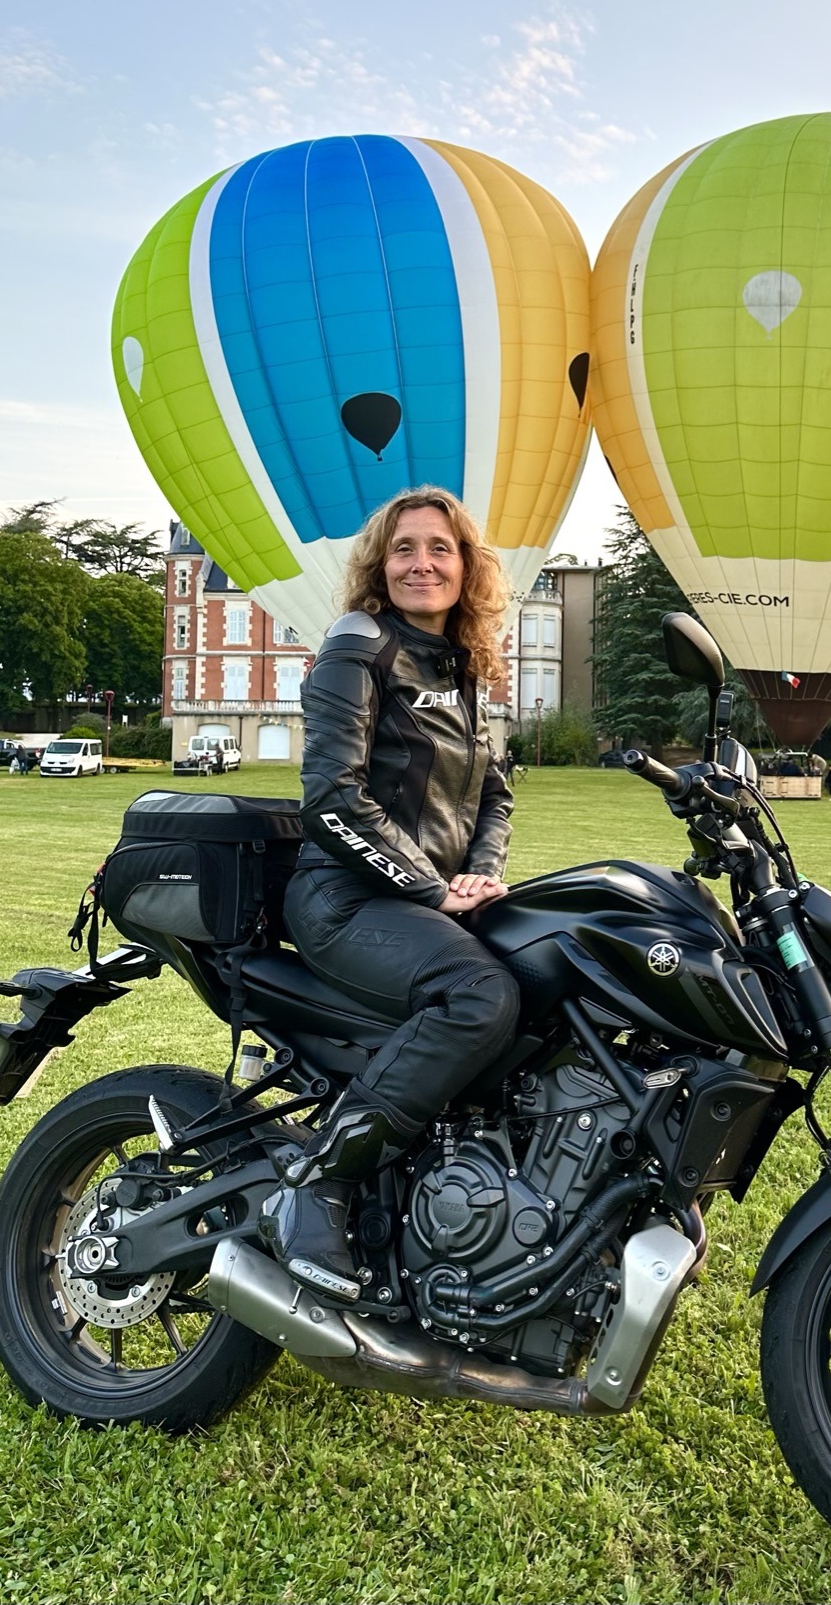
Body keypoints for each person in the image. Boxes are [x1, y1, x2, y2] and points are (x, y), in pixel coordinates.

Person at [261, 486, 517, 1301]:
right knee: (479, 995)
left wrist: (480, 872)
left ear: (467, 566)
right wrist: (430, 886)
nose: (422, 564)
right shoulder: (360, 644)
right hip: (346, 898)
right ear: (380, 564)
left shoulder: (461, 664)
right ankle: (318, 1182)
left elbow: (496, 794)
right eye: (405, 548)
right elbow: (332, 796)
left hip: (425, 899)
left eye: (441, 548)